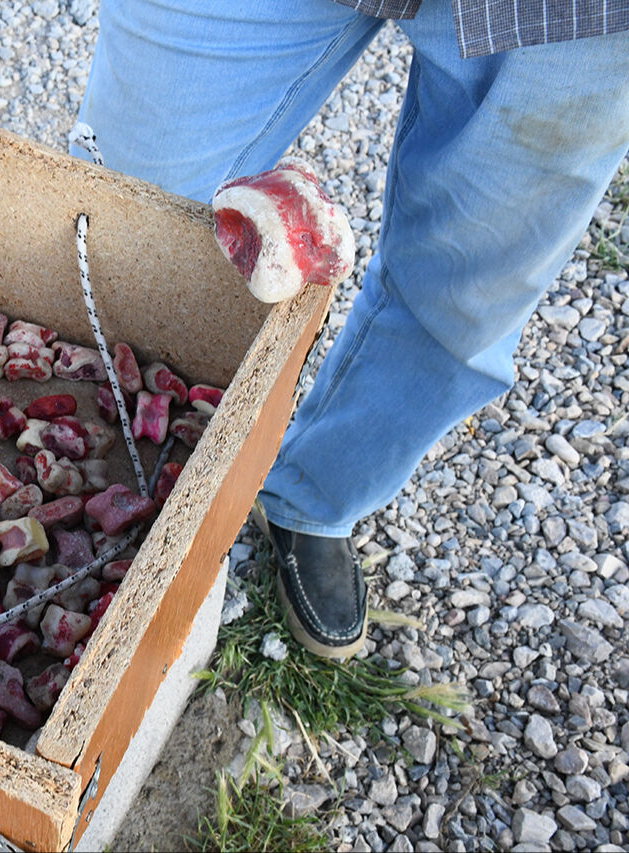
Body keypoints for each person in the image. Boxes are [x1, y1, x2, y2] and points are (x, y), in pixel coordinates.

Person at [74, 0, 629, 657]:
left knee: (464, 296)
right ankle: (84, 444)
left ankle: (313, 495)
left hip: (571, 17)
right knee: (124, 205)